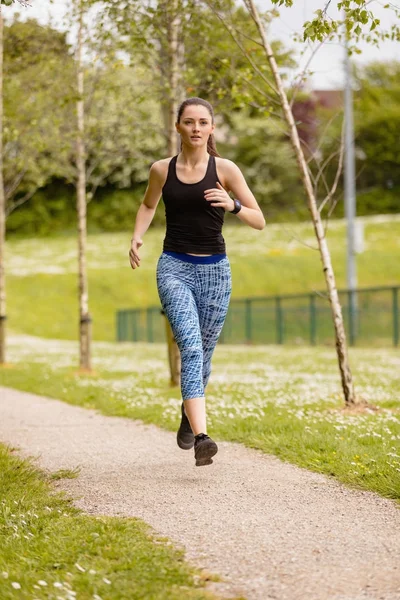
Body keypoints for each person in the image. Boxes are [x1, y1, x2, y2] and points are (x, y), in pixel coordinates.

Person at [129, 97, 265, 467]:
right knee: (189, 348)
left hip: (216, 272)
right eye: (188, 122)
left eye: (202, 122)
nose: (195, 128)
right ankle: (203, 437)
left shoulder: (226, 169)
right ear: (178, 127)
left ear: (211, 128)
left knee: (203, 358)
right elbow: (147, 205)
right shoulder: (161, 169)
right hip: (173, 267)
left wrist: (232, 205)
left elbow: (259, 219)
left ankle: (188, 414)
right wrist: (137, 236)